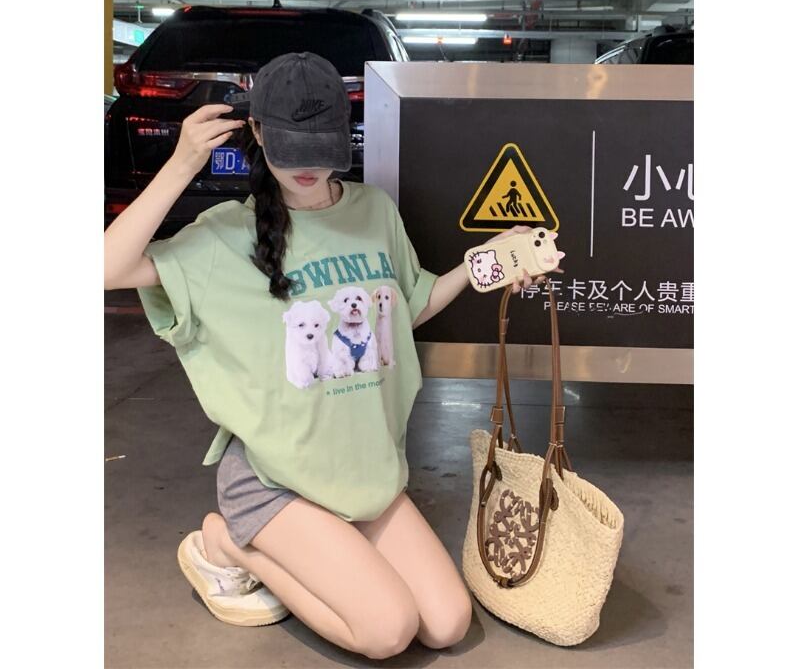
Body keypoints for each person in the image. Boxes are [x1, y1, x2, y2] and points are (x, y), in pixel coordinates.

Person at [104, 51, 547, 659]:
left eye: (321, 148)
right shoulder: (223, 235)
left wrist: (485, 264)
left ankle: (320, 554)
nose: (309, 167)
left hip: (363, 471)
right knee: (386, 630)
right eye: (292, 148)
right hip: (277, 481)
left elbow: (405, 312)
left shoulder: (373, 211)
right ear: (258, 132)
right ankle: (230, 544)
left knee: (446, 624)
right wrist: (182, 164)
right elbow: (106, 269)